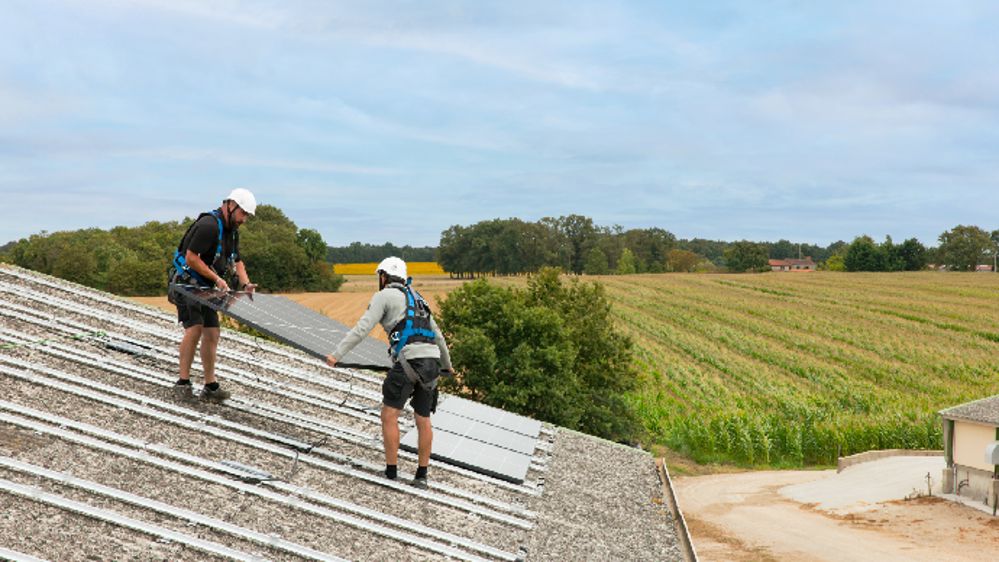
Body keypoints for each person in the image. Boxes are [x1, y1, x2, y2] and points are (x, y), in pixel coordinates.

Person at [326, 257, 452, 489]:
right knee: (423, 420)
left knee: (389, 415)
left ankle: (392, 472)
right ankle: (422, 476)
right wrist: (447, 365)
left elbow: (363, 328)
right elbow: (439, 336)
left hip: (407, 362)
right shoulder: (419, 299)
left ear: (384, 276)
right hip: (431, 364)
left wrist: (336, 355)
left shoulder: (383, 296)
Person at [169, 188, 257, 404]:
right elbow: (191, 258)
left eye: (247, 215)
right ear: (231, 206)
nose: (244, 219)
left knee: (213, 333)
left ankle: (210, 386)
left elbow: (237, 261)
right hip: (185, 284)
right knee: (195, 328)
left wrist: (245, 284)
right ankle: (183, 383)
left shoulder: (232, 231)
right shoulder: (208, 226)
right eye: (243, 213)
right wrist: (217, 279)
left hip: (207, 288)